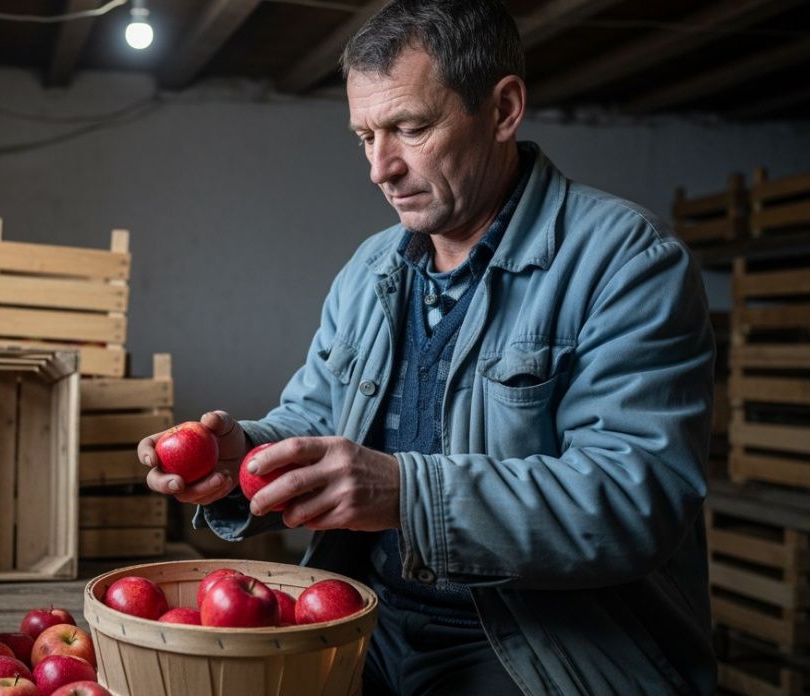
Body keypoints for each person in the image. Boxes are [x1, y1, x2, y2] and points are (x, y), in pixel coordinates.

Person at [137, 0, 716, 693]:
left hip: (539, 652)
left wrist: (407, 494)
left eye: (410, 129)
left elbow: (634, 499)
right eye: (365, 136)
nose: (380, 168)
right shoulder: (370, 269)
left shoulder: (627, 263)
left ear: (503, 110)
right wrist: (247, 458)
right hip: (370, 625)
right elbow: (317, 417)